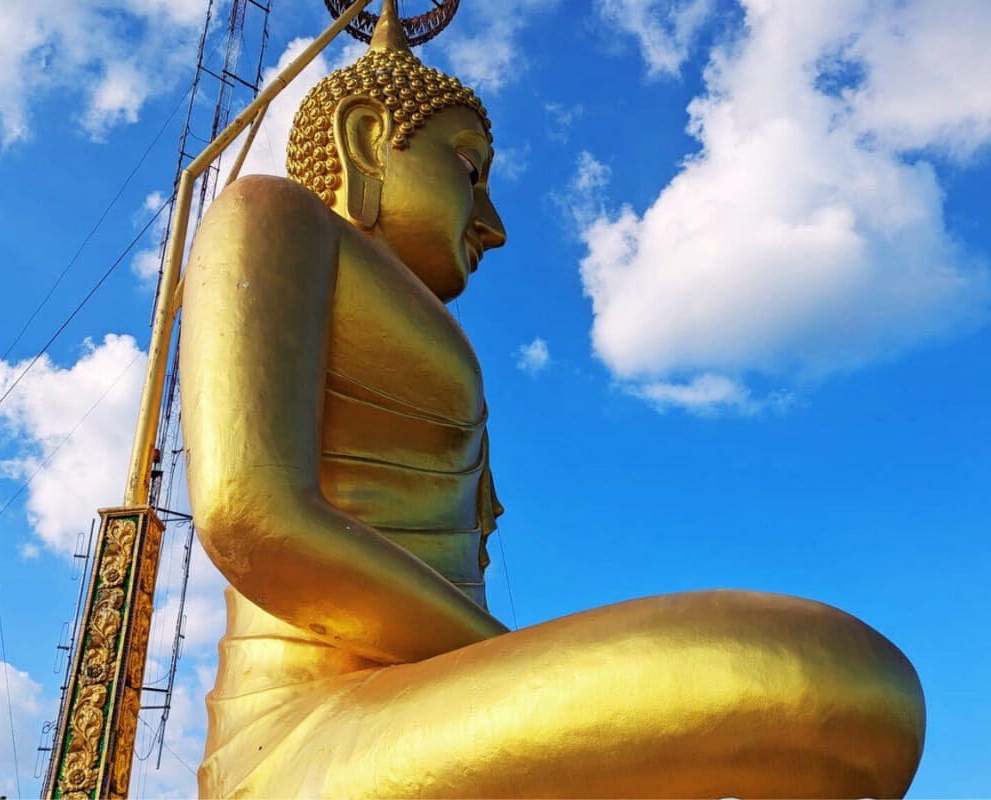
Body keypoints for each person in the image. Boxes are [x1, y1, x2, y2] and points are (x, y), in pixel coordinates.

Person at [179, 3, 924, 796]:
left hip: (416, 702)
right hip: (303, 734)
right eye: (469, 172)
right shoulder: (273, 215)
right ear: (365, 140)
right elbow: (251, 516)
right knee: (828, 676)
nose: (492, 225)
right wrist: (511, 661)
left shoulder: (404, 310)